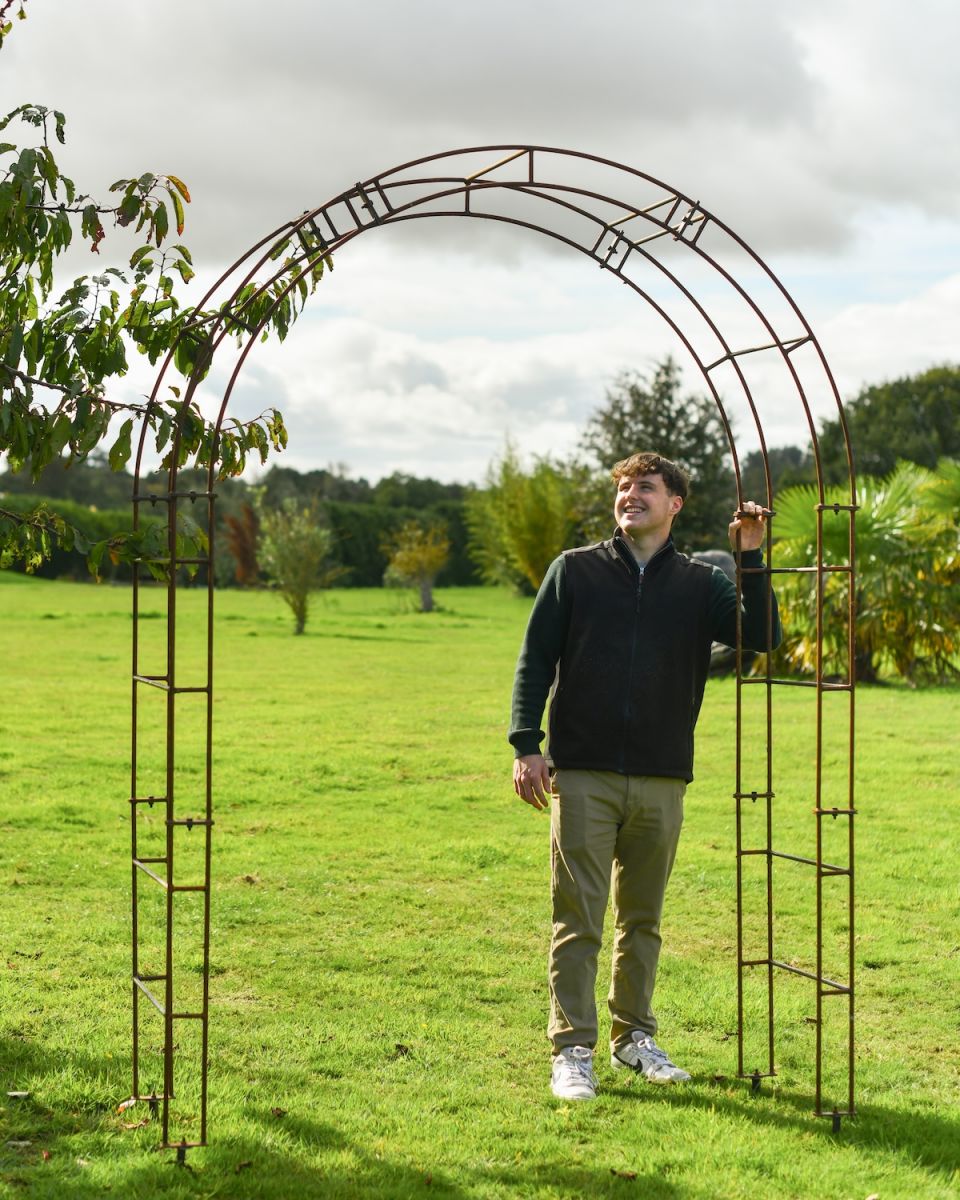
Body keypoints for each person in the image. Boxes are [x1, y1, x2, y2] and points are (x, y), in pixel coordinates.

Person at [509, 451, 781, 1101]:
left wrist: (749, 556)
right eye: (624, 487)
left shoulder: (698, 583)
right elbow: (535, 658)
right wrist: (527, 744)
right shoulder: (574, 572)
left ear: (675, 505)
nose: (631, 495)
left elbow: (764, 635)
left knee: (643, 919)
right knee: (578, 917)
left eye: (646, 488)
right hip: (582, 774)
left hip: (662, 776)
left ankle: (634, 1039)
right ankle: (572, 1050)